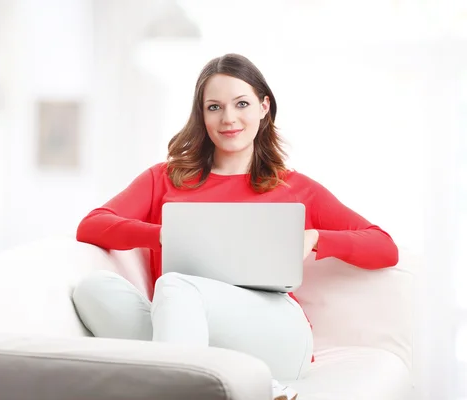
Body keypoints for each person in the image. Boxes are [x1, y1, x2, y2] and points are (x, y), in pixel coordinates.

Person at [72, 53, 399, 400]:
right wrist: (161, 235)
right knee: (93, 289)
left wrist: (315, 238)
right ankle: (231, 378)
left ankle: (201, 376)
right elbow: (92, 225)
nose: (228, 118)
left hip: (279, 335)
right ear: (202, 115)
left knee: (177, 287)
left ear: (264, 107)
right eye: (214, 107)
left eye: (241, 103)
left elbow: (384, 247)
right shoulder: (164, 178)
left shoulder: (295, 188)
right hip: (180, 322)